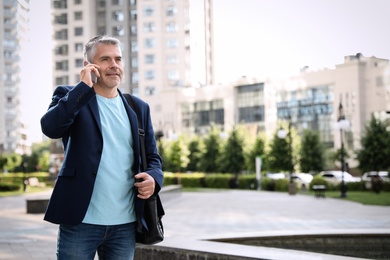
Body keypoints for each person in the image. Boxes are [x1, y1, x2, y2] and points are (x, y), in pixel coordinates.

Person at [40, 35, 164, 260]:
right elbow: (51, 128)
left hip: (125, 223)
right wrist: (82, 88)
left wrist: (154, 179)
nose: (114, 65)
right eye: (105, 59)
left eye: (118, 59)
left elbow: (153, 157)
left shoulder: (139, 107)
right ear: (89, 66)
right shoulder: (70, 96)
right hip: (81, 221)